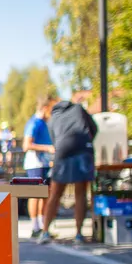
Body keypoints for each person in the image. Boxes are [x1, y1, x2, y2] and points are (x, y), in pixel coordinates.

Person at [40, 100, 98, 245]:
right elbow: (94, 128)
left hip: (63, 151)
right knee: (81, 193)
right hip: (83, 149)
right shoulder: (79, 109)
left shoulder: (53, 118)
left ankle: (45, 232)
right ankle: (78, 235)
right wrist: (86, 143)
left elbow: (54, 141)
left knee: (55, 193)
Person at [22, 96, 55, 238]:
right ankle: (35, 226)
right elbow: (26, 145)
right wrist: (47, 148)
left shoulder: (45, 123)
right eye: (52, 109)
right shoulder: (34, 123)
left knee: (45, 194)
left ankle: (43, 226)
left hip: (46, 163)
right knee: (35, 194)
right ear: (45, 108)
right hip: (35, 164)